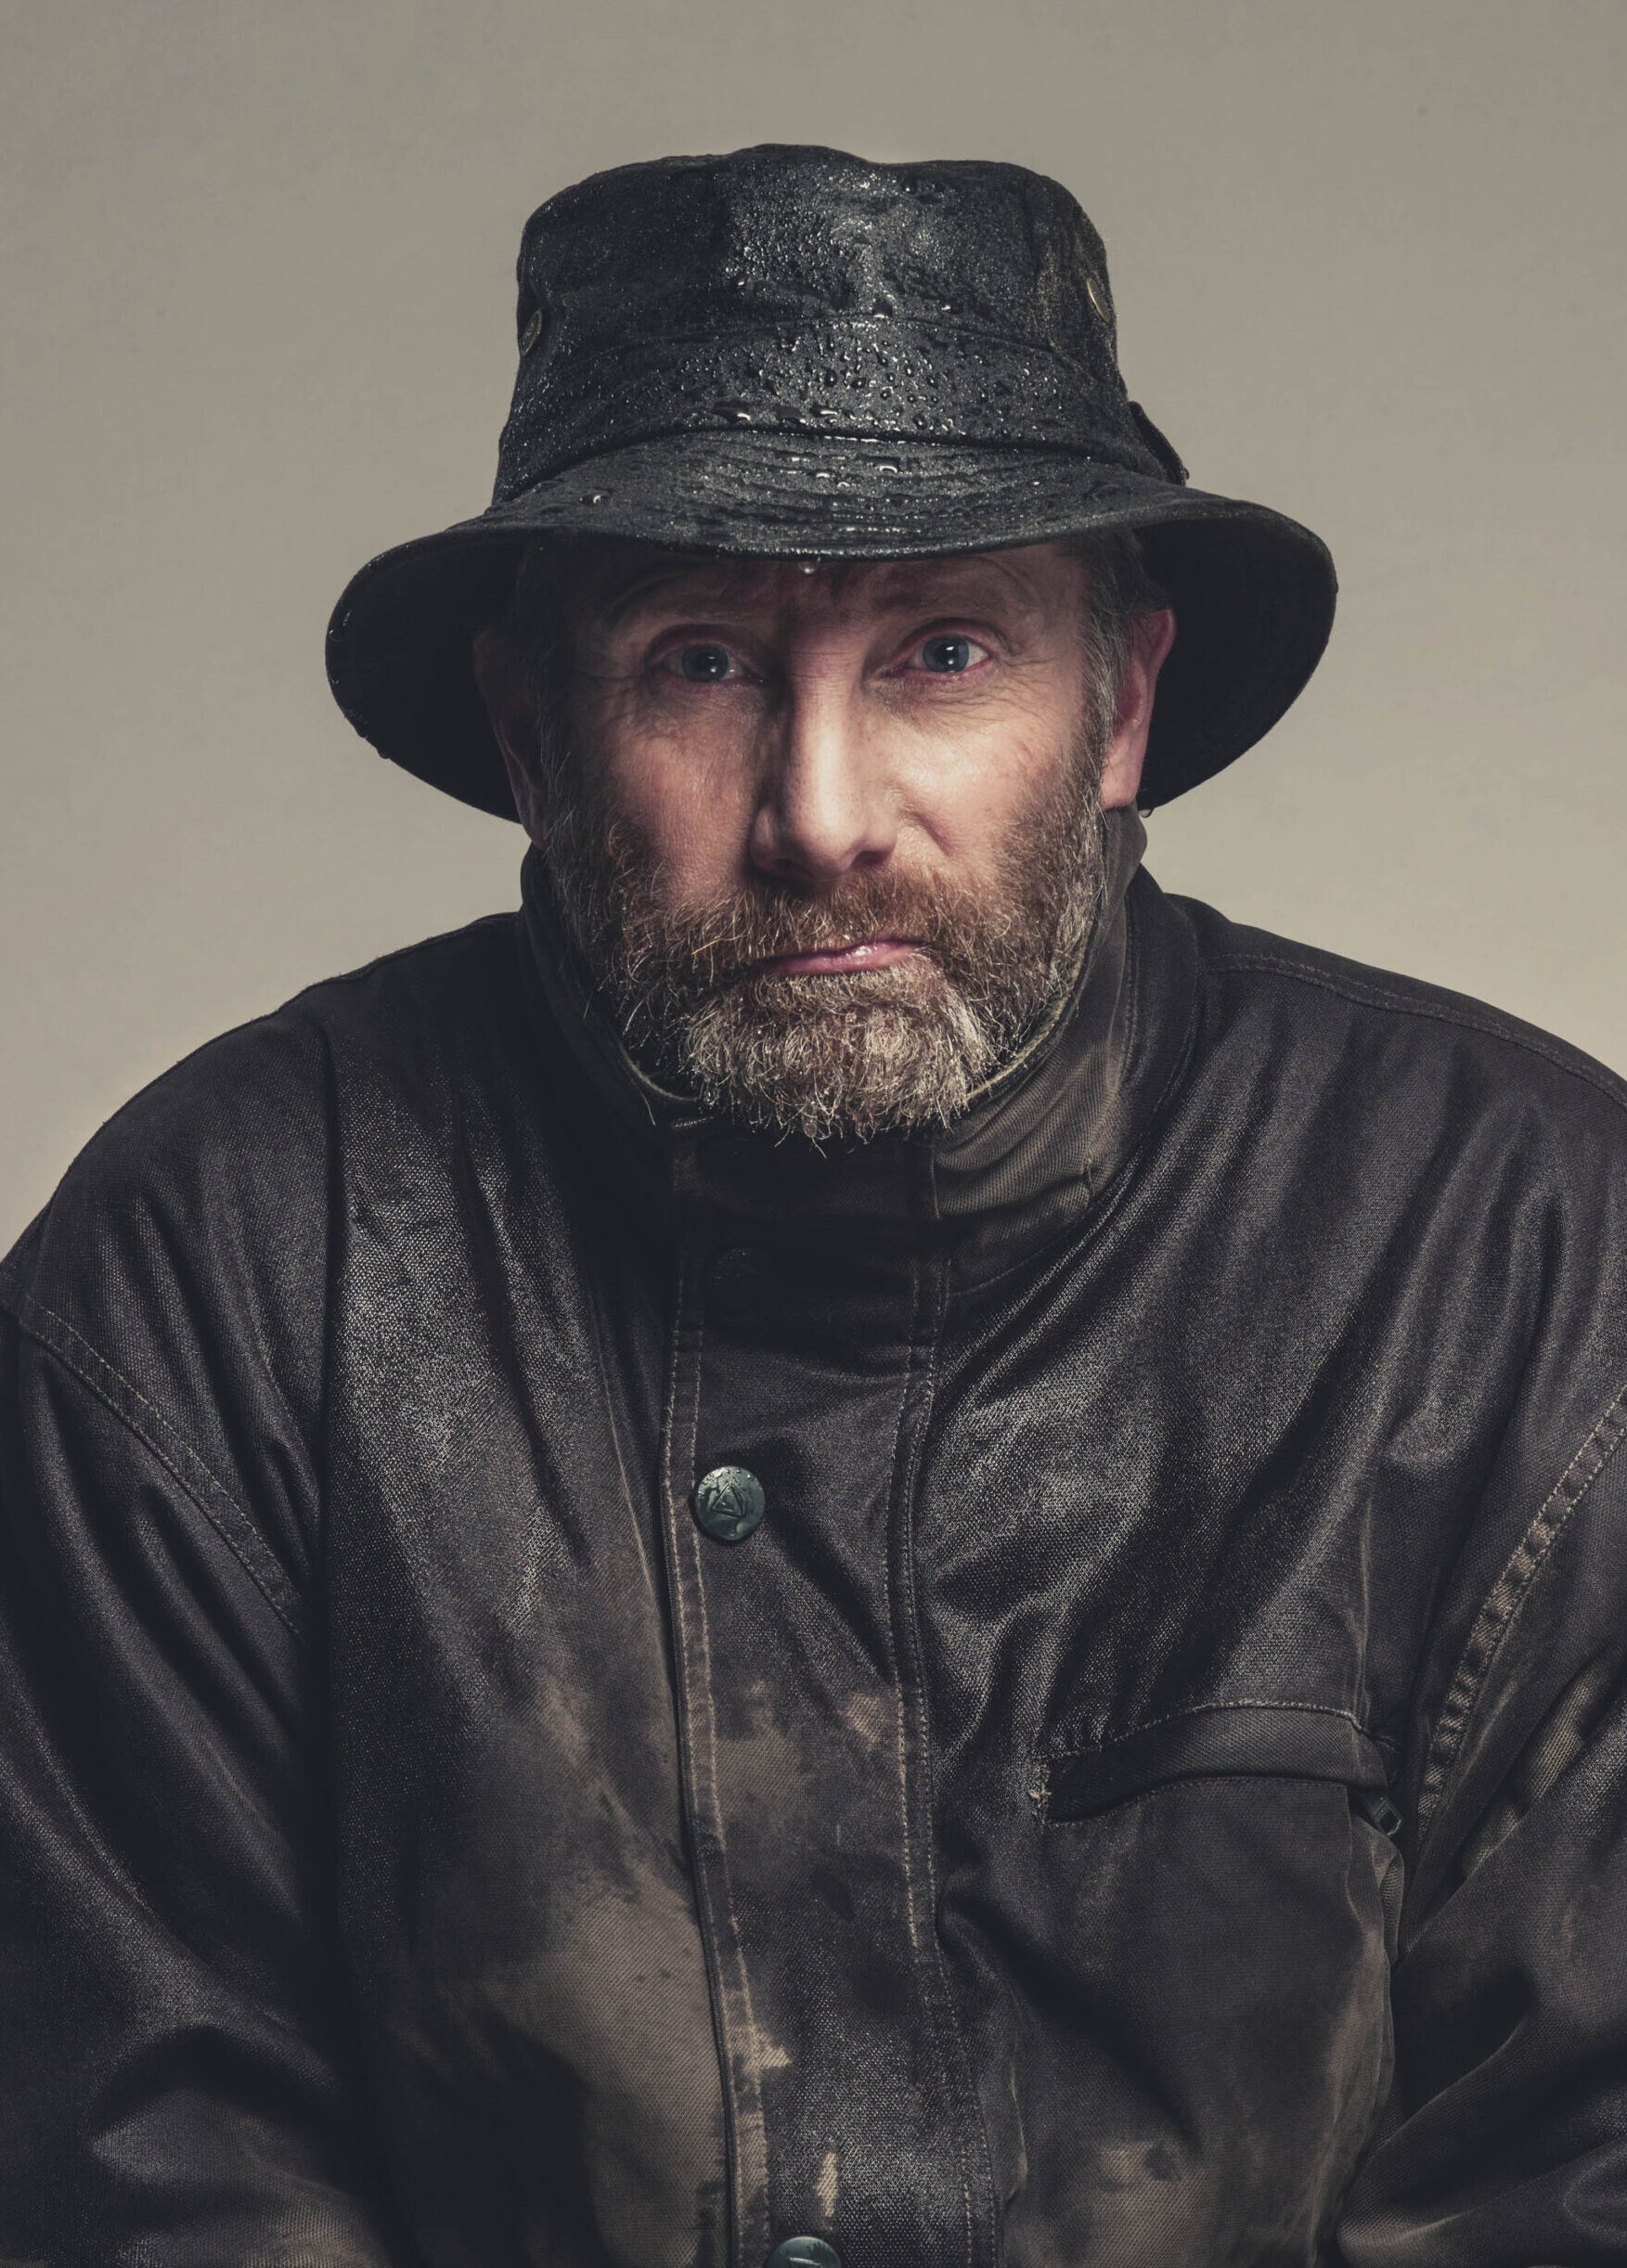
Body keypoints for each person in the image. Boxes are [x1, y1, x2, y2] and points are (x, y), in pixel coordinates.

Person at [3, 142, 1625, 2268]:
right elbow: (144, 2168)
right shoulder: (213, 1275)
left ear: (1119, 707)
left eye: (943, 652)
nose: (822, 815)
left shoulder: (1505, 1248)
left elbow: (1576, 2174)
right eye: (700, 662)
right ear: (530, 724)